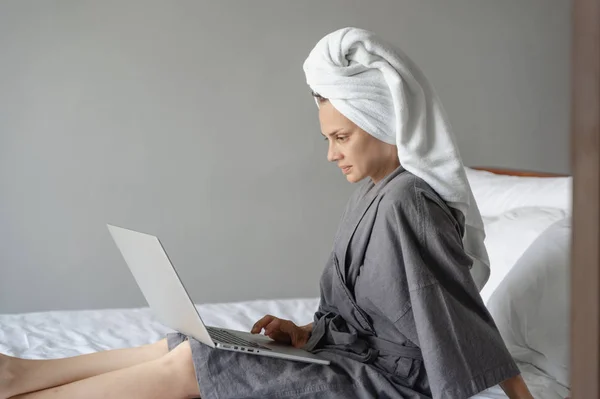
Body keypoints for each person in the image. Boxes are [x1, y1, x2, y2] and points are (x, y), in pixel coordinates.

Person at [0, 27, 534, 399]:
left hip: (389, 386)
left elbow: (457, 315)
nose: (332, 153)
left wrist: (517, 394)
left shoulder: (408, 202)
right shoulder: (374, 193)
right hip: (354, 358)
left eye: (342, 137)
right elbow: (368, 315)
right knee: (198, 341)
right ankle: (22, 374)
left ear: (382, 122)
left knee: (197, 363)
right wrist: (304, 333)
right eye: (328, 138)